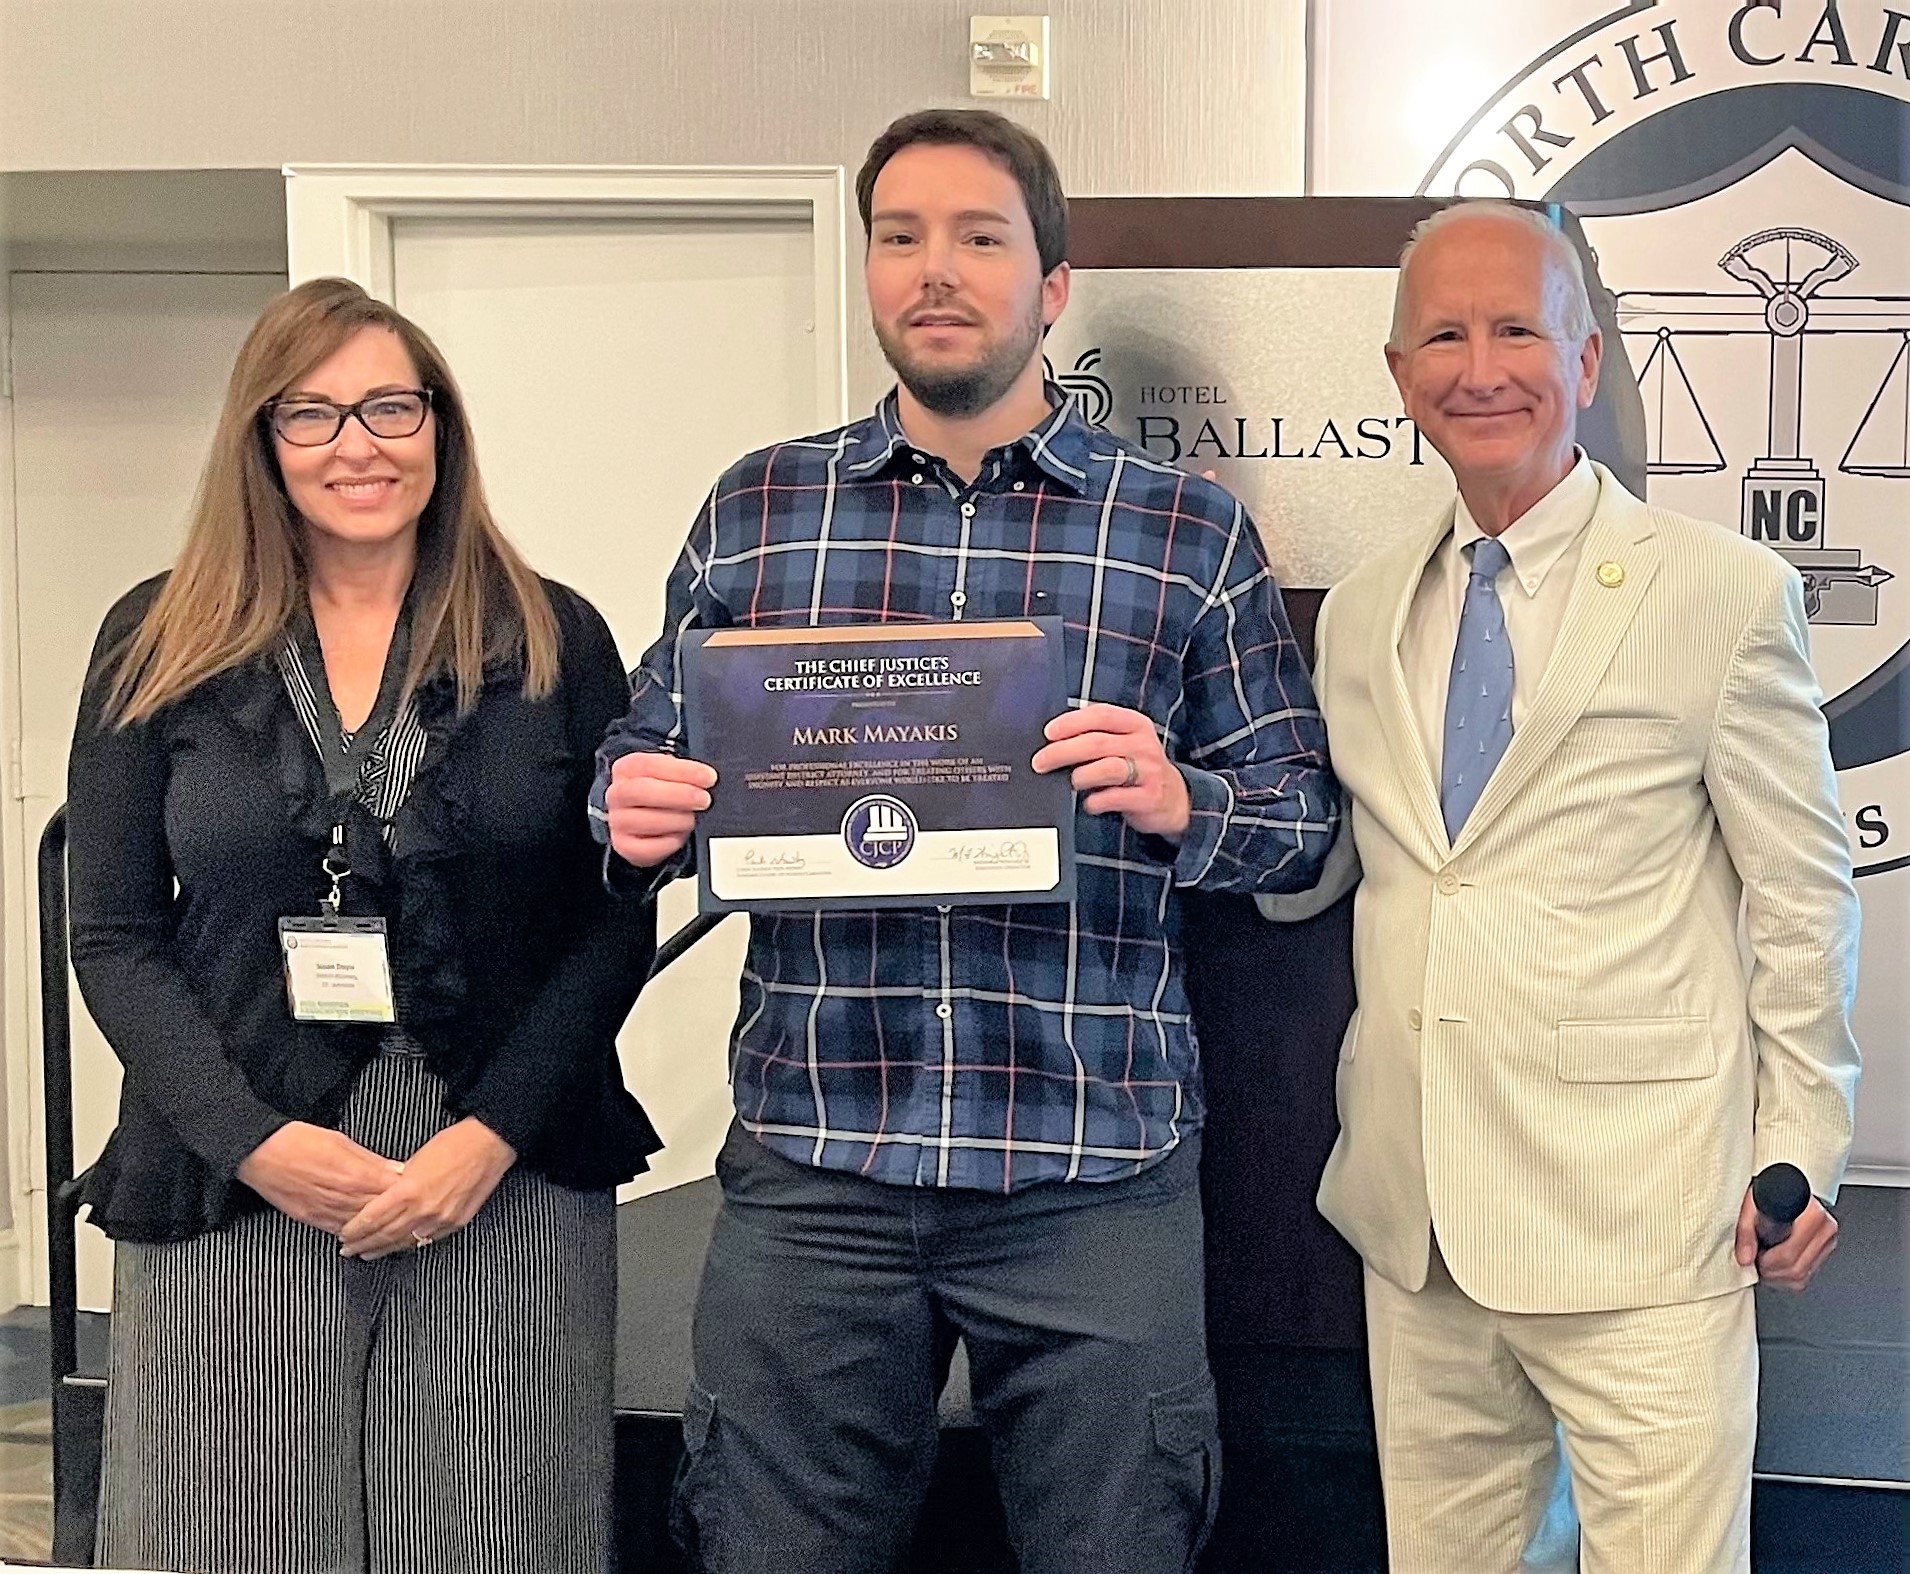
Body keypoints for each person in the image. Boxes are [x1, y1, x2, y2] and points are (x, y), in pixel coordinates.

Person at [593, 108, 1336, 1573]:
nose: (936, 270)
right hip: (818, 1162)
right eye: (901, 237)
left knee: (1120, 1547)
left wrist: (1186, 801)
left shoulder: (1182, 529)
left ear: (1052, 285)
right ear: (868, 270)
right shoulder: (758, 508)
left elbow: (1300, 821)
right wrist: (632, 809)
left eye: (980, 238)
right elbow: (643, 752)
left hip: (1091, 1163)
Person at [1264, 200, 1860, 1572]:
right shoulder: (1360, 611)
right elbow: (1371, 860)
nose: (1482, 365)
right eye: (1445, 336)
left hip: (1645, 1222)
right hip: (1416, 1228)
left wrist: (1799, 1142)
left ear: (1586, 359)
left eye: (1518, 328)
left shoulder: (1717, 594)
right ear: (1398, 374)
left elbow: (1799, 892)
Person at [67, 277, 662, 1573]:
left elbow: (612, 919)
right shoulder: (154, 637)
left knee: (495, 1542)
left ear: (439, 426)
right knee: (232, 1542)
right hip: (238, 1163)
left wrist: (490, 1135)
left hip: (493, 1170)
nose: (359, 443)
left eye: (391, 405)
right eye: (315, 414)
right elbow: (111, 934)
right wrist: (254, 1142)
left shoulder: (553, 635)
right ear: (261, 440)